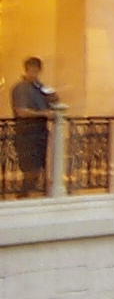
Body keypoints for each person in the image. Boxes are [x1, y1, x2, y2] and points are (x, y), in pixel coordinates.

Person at [11, 56, 57, 197]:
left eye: (36, 70)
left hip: (40, 132)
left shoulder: (41, 87)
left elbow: (53, 102)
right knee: (31, 168)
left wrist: (53, 99)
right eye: (32, 69)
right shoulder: (20, 88)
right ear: (27, 70)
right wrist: (43, 113)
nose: (34, 73)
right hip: (27, 132)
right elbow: (21, 111)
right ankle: (23, 196)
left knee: (39, 168)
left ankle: (29, 195)